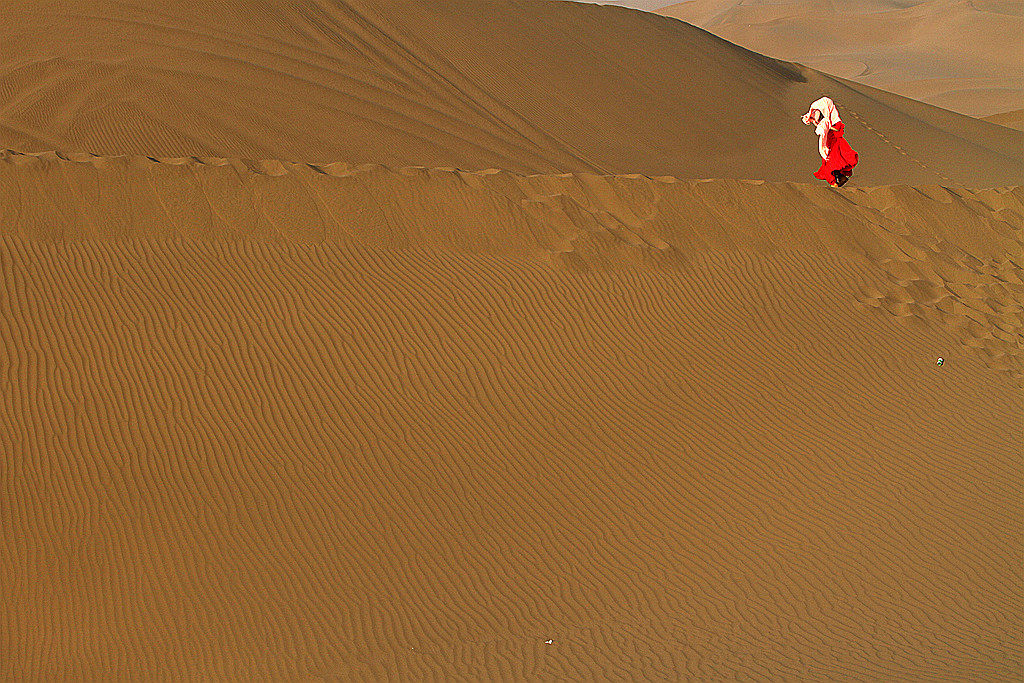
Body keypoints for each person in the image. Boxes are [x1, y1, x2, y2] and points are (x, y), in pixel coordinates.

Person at [801, 97, 858, 187]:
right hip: (830, 141)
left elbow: (832, 128)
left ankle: (836, 181)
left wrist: (825, 127)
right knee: (832, 161)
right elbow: (816, 119)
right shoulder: (823, 114)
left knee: (834, 160)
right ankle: (837, 180)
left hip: (834, 140)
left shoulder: (831, 119)